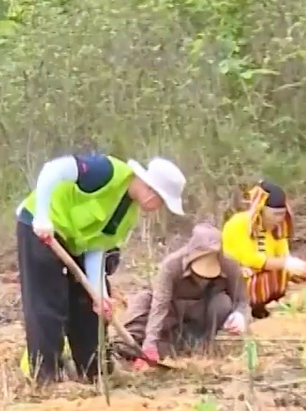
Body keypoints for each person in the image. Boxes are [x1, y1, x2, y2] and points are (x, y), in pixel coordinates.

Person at [17, 152, 186, 385]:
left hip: (75, 243)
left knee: (89, 307)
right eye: (161, 201)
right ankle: (46, 379)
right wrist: (43, 216)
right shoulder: (105, 171)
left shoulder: (128, 213)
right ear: (150, 190)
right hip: (41, 228)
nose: (158, 208)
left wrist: (100, 294)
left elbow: (97, 247)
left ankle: (94, 372)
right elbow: (52, 170)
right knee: (48, 304)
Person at [120, 224, 249, 364]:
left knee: (223, 302)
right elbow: (160, 306)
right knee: (143, 301)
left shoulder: (229, 265)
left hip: (201, 317)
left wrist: (240, 315)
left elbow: (241, 300)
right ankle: (133, 347)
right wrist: (150, 345)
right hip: (170, 316)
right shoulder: (172, 265)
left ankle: (203, 345)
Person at [221, 181, 306, 319]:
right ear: (260, 210)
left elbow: (283, 256)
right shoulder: (238, 224)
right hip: (236, 276)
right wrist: (285, 264)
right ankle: (247, 308)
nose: (280, 219)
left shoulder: (277, 229)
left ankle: (267, 306)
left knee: (291, 274)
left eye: (282, 214)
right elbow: (249, 259)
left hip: (263, 275)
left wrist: (299, 269)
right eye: (275, 214)